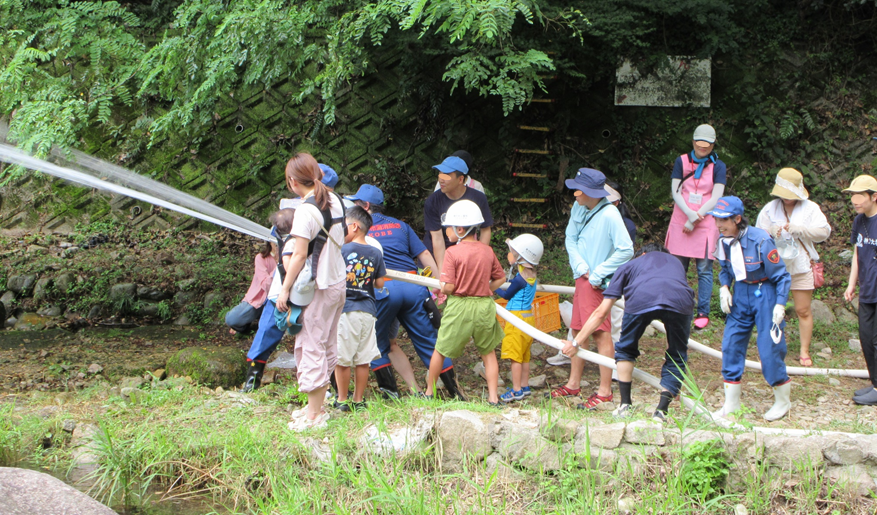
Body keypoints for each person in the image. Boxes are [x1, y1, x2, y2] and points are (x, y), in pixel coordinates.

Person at [348, 184, 463, 399]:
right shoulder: (400, 226)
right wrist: (440, 284)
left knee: (374, 343)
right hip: (414, 286)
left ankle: (391, 393)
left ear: (365, 206)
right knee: (430, 341)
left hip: (383, 289)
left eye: (356, 204)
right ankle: (455, 393)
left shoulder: (358, 228)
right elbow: (425, 255)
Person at [560, 243, 695, 422]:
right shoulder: (676, 262)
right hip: (681, 300)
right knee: (676, 355)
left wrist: (575, 343)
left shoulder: (629, 265)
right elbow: (670, 291)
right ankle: (662, 410)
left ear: (643, 254)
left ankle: (625, 405)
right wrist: (674, 383)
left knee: (626, 349)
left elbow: (601, 312)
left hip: (642, 298)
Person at [550, 168, 633, 410]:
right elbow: (570, 237)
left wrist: (598, 272)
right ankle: (574, 383)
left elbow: (626, 250)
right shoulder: (579, 207)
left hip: (596, 282)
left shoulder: (610, 214)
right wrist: (579, 265)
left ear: (592, 192)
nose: (574, 192)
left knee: (599, 332)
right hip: (581, 277)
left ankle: (605, 391)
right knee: (577, 329)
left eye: (579, 189)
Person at [278, 153, 347, 432]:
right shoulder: (336, 200)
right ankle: (314, 406)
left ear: (293, 182)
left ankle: (315, 416)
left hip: (318, 286)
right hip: (338, 282)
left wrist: (284, 289)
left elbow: (299, 255)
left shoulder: (306, 210)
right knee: (327, 343)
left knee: (311, 345)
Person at [709, 196, 792, 421]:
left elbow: (782, 276)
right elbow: (725, 266)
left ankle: (783, 400)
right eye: (716, 219)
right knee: (731, 344)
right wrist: (725, 287)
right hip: (741, 293)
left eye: (724, 220)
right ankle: (731, 405)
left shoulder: (760, 240)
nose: (719, 225)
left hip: (764, 291)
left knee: (769, 347)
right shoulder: (723, 239)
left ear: (737, 219)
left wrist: (780, 303)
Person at [425, 200, 506, 405]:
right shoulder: (487, 250)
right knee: (488, 353)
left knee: (441, 349)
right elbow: (501, 278)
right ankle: (493, 398)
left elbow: (450, 287)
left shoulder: (453, 252)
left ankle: (428, 393)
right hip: (484, 306)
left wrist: (442, 288)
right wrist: (486, 289)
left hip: (459, 306)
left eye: (449, 229)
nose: (447, 233)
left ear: (460, 229)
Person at [756, 168, 831, 367]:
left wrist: (801, 230)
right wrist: (771, 232)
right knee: (772, 307)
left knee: (803, 309)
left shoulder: (810, 208)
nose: (787, 199)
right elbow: (757, 234)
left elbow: (824, 232)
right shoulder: (770, 208)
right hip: (775, 266)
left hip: (801, 265)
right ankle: (771, 347)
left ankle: (804, 351)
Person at [665, 124, 727, 330]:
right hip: (681, 218)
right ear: (693, 141)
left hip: (706, 219)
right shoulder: (681, 161)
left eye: (707, 144)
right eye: (699, 143)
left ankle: (703, 312)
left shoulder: (719, 166)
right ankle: (677, 306)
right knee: (677, 267)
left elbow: (716, 196)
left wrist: (695, 218)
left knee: (704, 270)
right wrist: (689, 215)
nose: (703, 147)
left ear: (713, 144)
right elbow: (676, 192)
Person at [334, 206, 386, 411]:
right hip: (368, 311)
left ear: (354, 226)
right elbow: (380, 283)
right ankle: (358, 400)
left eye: (344, 226)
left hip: (347, 310)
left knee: (343, 359)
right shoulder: (375, 252)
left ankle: (342, 400)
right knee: (363, 360)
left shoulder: (342, 250)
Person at [423, 155, 493, 274]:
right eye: (440, 174)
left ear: (460, 179)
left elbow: (485, 230)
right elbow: (437, 239)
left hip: (466, 254)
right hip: (436, 257)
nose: (441, 179)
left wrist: (479, 258)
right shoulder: (433, 201)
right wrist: (443, 271)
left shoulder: (478, 198)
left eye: (446, 176)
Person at [494, 234, 543, 402]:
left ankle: (516, 390)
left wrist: (492, 288)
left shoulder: (520, 279)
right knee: (525, 355)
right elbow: (518, 261)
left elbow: (507, 295)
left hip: (516, 318)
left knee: (515, 356)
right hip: (528, 317)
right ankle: (524, 385)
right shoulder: (531, 273)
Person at [843, 175, 877, 405]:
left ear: (874, 197)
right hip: (867, 290)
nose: (854, 200)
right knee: (866, 339)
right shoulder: (859, 221)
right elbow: (857, 252)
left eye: (859, 195)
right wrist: (851, 283)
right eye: (852, 195)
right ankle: (875, 383)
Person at [225, 240, 277, 335]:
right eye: (276, 243)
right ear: (270, 242)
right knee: (231, 319)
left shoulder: (289, 259)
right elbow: (266, 284)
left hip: (277, 301)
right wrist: (278, 266)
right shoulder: (261, 258)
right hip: (257, 300)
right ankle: (246, 325)